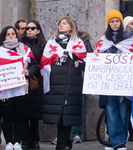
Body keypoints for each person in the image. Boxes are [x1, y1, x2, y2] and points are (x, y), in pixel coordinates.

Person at [94, 10, 133, 150]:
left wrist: (127, 55)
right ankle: (115, 143)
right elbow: (98, 58)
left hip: (123, 84)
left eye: (117, 21)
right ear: (109, 23)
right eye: (112, 21)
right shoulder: (102, 41)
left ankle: (121, 142)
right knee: (111, 112)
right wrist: (96, 54)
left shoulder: (130, 40)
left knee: (123, 112)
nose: (114, 23)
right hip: (108, 84)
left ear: (121, 23)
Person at [41, 16, 87, 150]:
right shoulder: (51, 43)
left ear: (71, 27)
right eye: (60, 23)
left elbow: (86, 63)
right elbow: (44, 62)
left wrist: (81, 64)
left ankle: (63, 144)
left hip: (71, 85)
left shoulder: (78, 43)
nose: (61, 25)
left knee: (68, 115)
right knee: (59, 116)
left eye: (65, 23)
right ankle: (64, 143)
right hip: (55, 84)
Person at [0, 26, 37, 150]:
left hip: (22, 87)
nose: (11, 36)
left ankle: (17, 142)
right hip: (5, 89)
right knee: (7, 117)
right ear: (3, 37)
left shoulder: (24, 49)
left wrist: (28, 71)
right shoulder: (0, 51)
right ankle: (9, 143)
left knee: (20, 116)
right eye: (8, 34)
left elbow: (34, 65)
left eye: (13, 34)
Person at [20, 20, 46, 150]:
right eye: (27, 28)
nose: (29, 30)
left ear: (38, 30)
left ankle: (35, 140)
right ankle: (25, 140)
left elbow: (40, 63)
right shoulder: (20, 44)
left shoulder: (43, 45)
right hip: (22, 82)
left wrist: (30, 72)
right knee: (24, 113)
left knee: (34, 114)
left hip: (37, 82)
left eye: (32, 28)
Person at [72, 28, 93, 143]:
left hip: (80, 76)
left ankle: (76, 133)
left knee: (79, 106)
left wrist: (81, 63)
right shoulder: (57, 41)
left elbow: (90, 58)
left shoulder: (84, 40)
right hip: (64, 76)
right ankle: (61, 133)